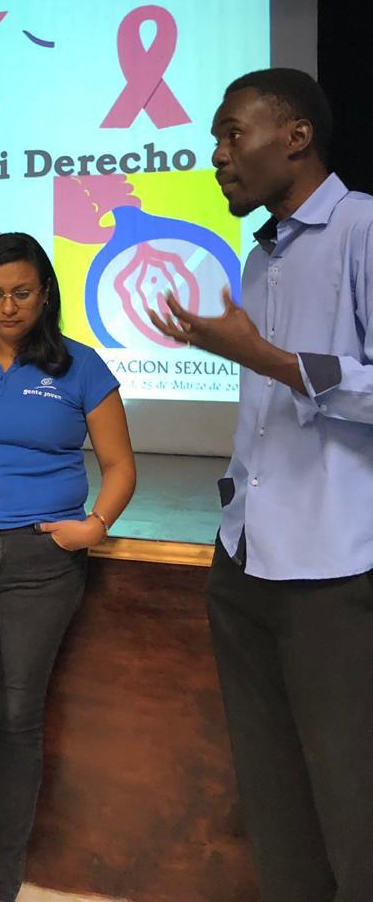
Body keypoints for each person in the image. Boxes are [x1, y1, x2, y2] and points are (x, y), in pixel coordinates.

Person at [148, 68, 373, 902]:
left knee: (352, 797)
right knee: (273, 793)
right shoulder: (258, 255)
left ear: (296, 136)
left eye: (231, 134)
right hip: (244, 557)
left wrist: (270, 359)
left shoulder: (362, 230)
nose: (217, 155)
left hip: (333, 568)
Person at [0, 231, 136, 902]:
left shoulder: (81, 366)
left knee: (16, 719)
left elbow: (120, 464)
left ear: (45, 295)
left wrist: (93, 527)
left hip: (42, 562)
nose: (8, 306)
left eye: (22, 293)